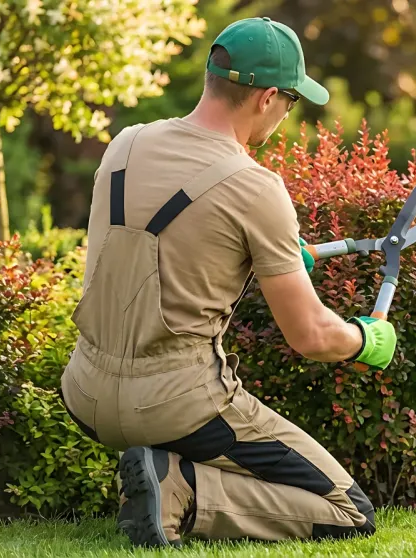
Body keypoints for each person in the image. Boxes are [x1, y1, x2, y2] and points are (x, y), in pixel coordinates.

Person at [58, 16, 398, 548]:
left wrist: (275, 256)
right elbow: (311, 336)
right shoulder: (255, 187)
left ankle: (165, 474)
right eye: (291, 102)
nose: (285, 115)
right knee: (350, 511)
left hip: (85, 393)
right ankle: (182, 490)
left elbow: (158, 248)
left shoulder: (124, 145)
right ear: (267, 98)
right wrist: (366, 339)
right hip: (178, 407)